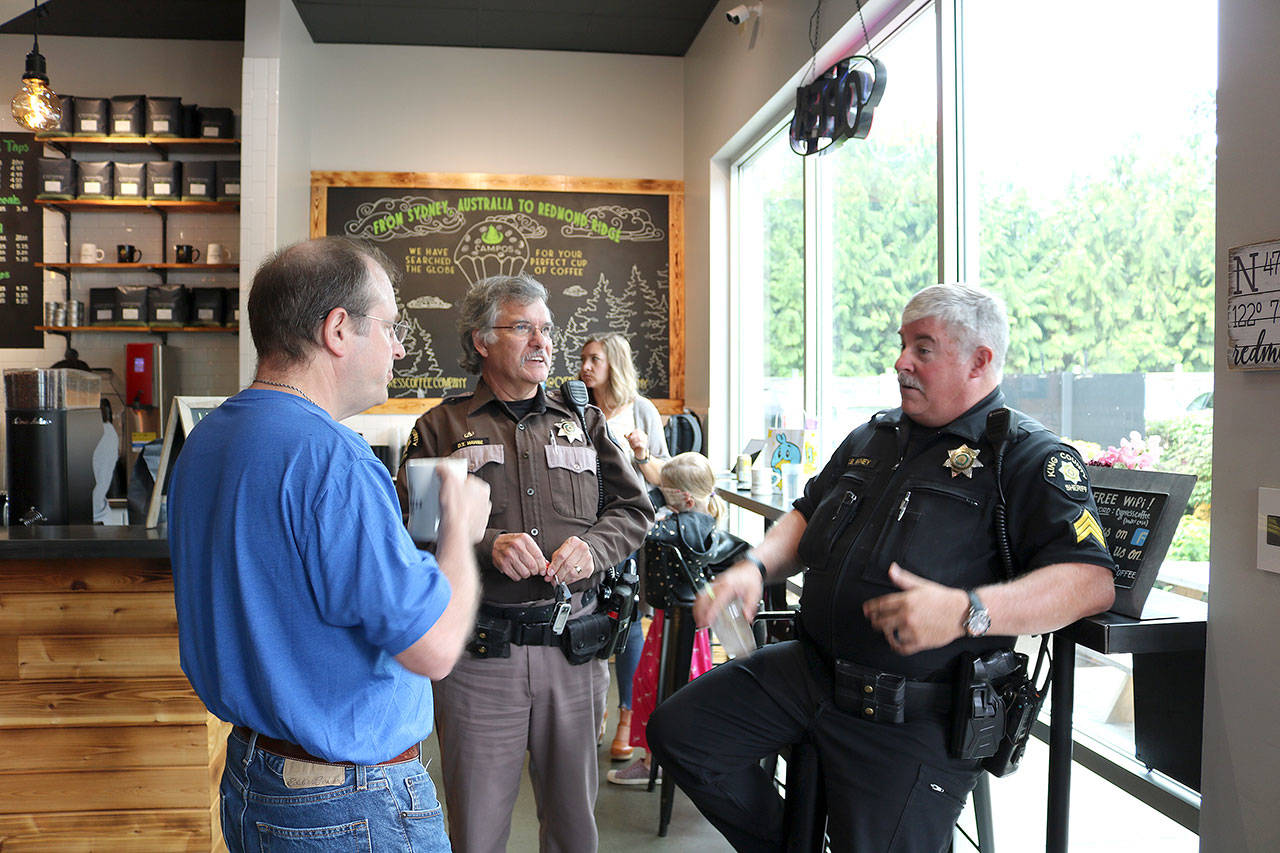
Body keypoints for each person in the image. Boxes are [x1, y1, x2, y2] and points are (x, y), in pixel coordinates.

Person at [648, 283, 1117, 852]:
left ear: (979, 361)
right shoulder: (875, 436)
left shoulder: (1026, 457)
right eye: (902, 344)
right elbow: (807, 514)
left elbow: (1089, 581)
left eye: (923, 348)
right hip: (811, 671)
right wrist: (755, 565)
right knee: (683, 734)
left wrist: (967, 610)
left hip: (914, 710)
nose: (901, 362)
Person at [167, 237, 490, 852]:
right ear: (338, 329)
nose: (399, 347)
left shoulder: (207, 440)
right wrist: (458, 528)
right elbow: (434, 649)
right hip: (349, 803)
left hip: (253, 780)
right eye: (390, 327)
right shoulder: (333, 458)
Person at [396, 273, 653, 853]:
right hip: (481, 660)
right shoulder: (441, 427)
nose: (543, 342)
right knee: (477, 831)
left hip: (574, 653)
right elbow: (416, 531)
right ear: (482, 340)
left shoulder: (583, 419)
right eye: (523, 328)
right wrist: (486, 545)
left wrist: (593, 548)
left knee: (574, 829)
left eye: (547, 329)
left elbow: (634, 510)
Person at [608, 451, 748, 785]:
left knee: (658, 687)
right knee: (681, 687)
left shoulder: (678, 527)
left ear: (683, 497)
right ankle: (675, 759)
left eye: (664, 490)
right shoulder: (705, 523)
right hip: (688, 622)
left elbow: (642, 530)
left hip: (675, 623)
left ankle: (655, 761)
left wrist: (655, 504)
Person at [578, 331, 671, 760]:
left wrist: (642, 454)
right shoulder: (576, 408)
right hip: (583, 526)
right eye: (583, 359)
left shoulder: (641, 410)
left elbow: (663, 480)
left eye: (594, 359)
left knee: (626, 618)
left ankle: (627, 718)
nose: (585, 367)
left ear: (614, 363)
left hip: (627, 528)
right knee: (585, 615)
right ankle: (593, 710)